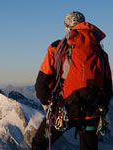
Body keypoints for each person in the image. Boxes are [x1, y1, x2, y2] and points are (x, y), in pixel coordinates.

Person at [32, 11, 112, 150]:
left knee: (39, 144)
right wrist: (101, 107)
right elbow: (108, 86)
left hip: (64, 109)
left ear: (66, 27)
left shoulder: (57, 48)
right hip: (92, 111)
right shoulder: (100, 52)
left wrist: (48, 104)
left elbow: (41, 84)